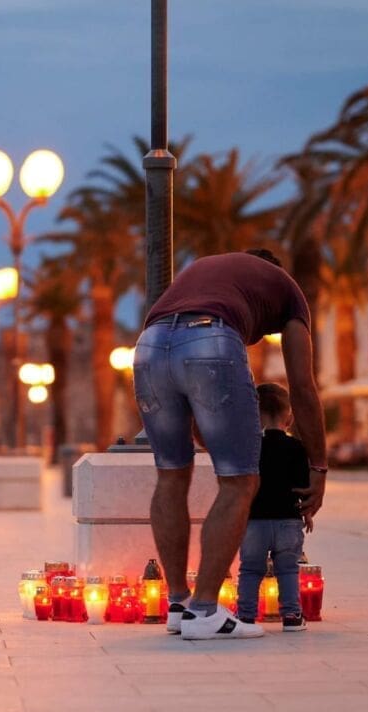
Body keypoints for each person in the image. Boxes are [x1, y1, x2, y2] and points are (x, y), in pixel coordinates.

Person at [133, 249, 327, 641]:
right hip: (210, 340)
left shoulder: (208, 271)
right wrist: (319, 467)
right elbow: (303, 388)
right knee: (240, 483)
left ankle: (177, 603)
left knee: (171, 474)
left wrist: (222, 442)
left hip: (150, 345)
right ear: (274, 270)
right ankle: (204, 610)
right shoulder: (287, 291)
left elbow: (200, 429)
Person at [234, 383, 310, 632]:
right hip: (288, 519)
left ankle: (245, 616)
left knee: (250, 570)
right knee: (288, 569)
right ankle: (291, 615)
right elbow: (303, 486)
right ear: (289, 417)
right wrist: (306, 513)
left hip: (254, 521)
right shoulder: (297, 448)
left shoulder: (249, 448)